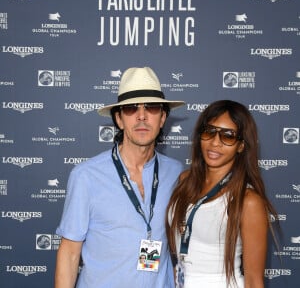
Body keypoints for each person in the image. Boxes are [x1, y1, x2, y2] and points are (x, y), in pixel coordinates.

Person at [55, 67, 185, 288]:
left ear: (163, 118)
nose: (142, 116)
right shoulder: (86, 176)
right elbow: (69, 254)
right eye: (131, 108)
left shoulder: (177, 174)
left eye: (151, 108)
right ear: (119, 118)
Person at [166, 100, 278, 288]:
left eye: (228, 136)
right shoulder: (185, 180)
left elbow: (253, 281)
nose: (215, 142)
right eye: (209, 131)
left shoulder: (248, 201)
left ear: (241, 145)